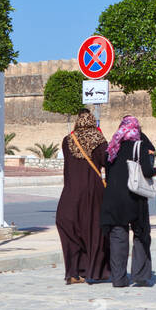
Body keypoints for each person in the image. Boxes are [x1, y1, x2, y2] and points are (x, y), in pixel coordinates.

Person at [100, 115, 156, 288]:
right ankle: (140, 274)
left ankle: (118, 278)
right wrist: (155, 171)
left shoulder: (112, 147)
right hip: (134, 197)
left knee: (118, 236)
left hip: (113, 197)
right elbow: (146, 170)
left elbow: (107, 172)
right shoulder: (139, 146)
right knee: (141, 234)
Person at [56, 109, 109, 285]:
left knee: (70, 229)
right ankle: (94, 271)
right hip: (93, 192)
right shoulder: (99, 140)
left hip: (70, 192)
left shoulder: (68, 140)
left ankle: (73, 272)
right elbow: (105, 161)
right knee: (93, 230)